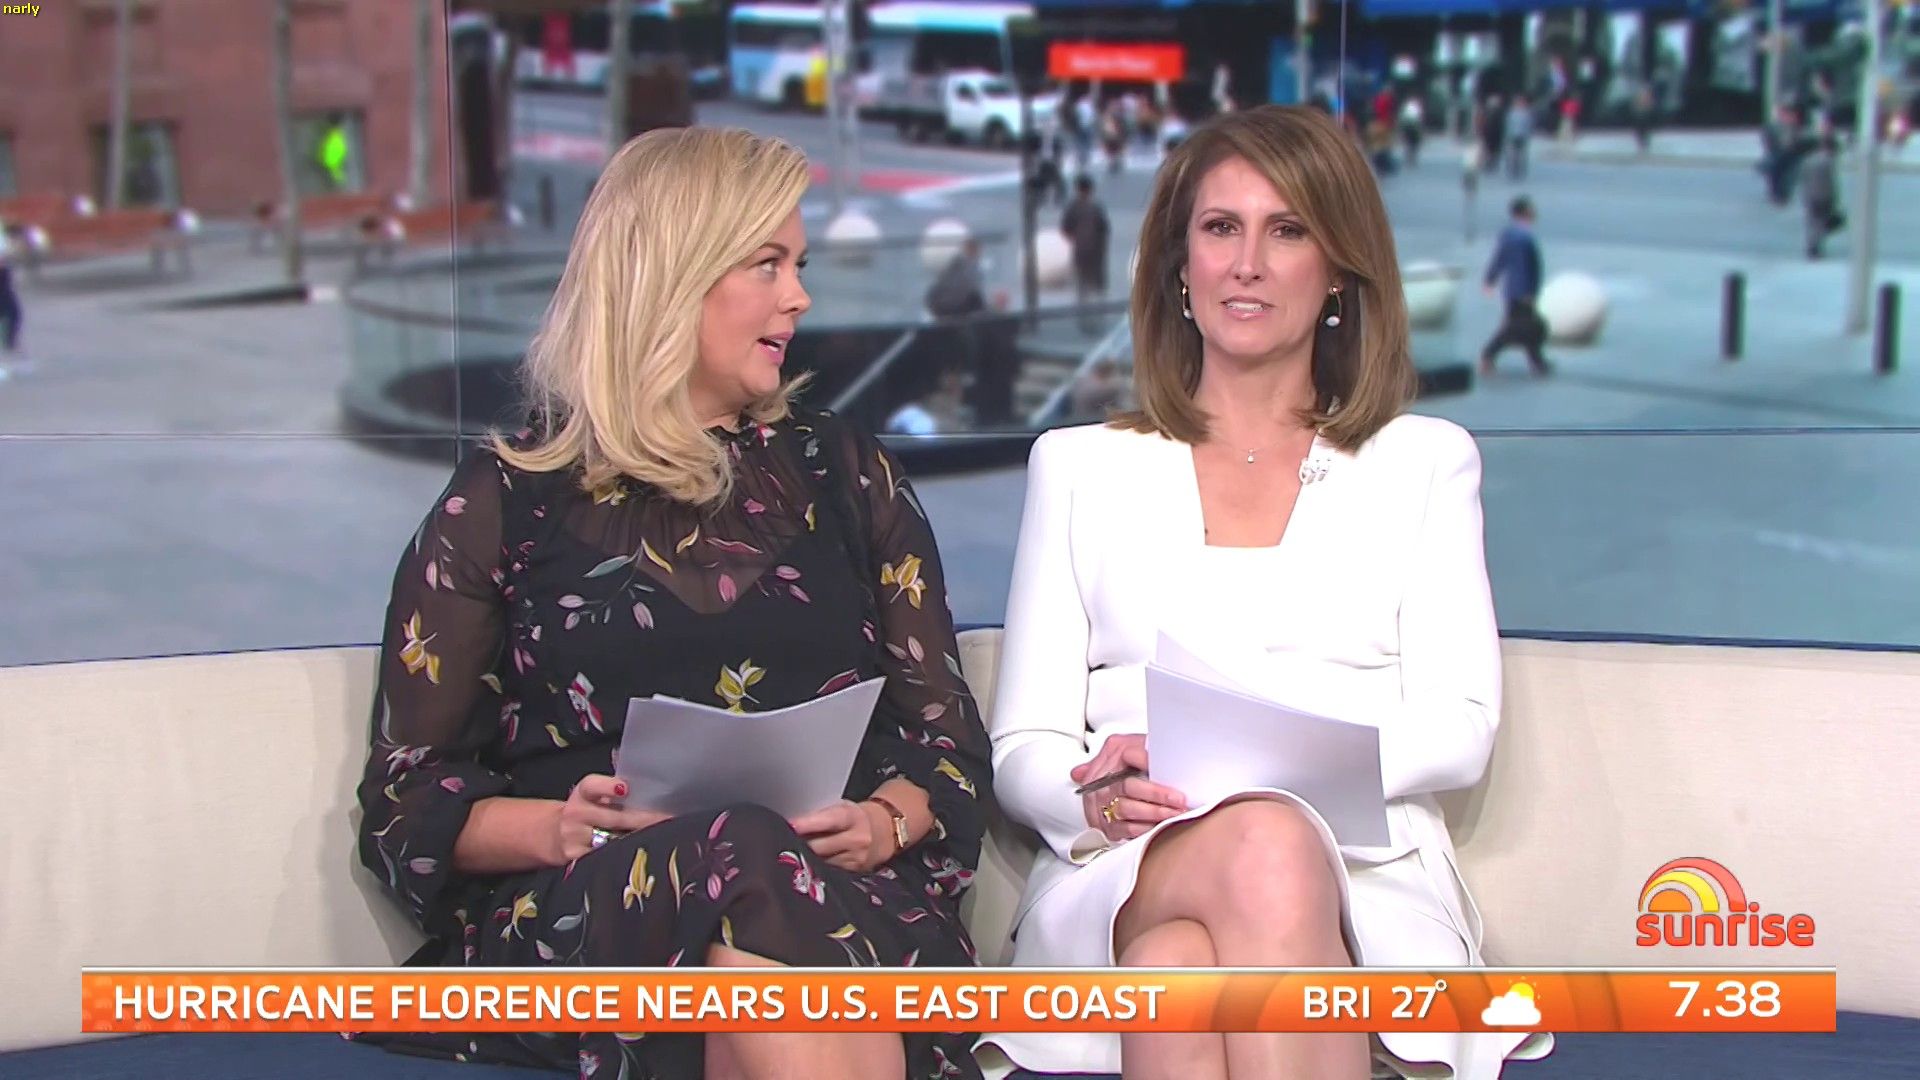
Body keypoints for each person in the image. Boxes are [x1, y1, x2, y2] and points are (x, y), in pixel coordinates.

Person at [351, 127, 992, 1080]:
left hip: (836, 898)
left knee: (755, 950)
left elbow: (947, 746)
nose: (799, 297)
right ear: (674, 274)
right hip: (589, 918)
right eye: (767, 264)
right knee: (743, 859)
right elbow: (406, 803)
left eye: (800, 266)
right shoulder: (506, 499)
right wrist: (558, 826)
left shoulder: (849, 474)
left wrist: (886, 822)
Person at [975, 105, 1552, 1080]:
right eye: (1220, 227)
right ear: (1180, 264)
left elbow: (1459, 729)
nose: (1246, 263)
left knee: (1178, 965)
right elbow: (1024, 747)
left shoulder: (1422, 463)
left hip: (1363, 873)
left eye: (1286, 231)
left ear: (1337, 272)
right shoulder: (1078, 467)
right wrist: (1095, 798)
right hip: (1127, 865)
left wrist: (1259, 776)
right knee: (1256, 855)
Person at [1480, 195, 1550, 377]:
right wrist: (1528, 292)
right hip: (1520, 292)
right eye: (1531, 209)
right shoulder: (1520, 237)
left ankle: (1537, 361)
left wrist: (1490, 279)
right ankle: (1488, 354)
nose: (1535, 212)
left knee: (1528, 327)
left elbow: (1500, 259)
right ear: (1524, 212)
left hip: (1517, 290)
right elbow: (1523, 267)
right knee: (1517, 328)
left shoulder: (1514, 235)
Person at [1060, 176, 1111, 334]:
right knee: (1095, 287)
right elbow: (1105, 229)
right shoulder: (1096, 208)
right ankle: (1095, 318)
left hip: (1081, 252)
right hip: (1096, 253)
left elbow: (1066, 228)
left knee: (1083, 288)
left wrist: (1077, 239)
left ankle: (1085, 318)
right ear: (1090, 190)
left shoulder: (1073, 207)